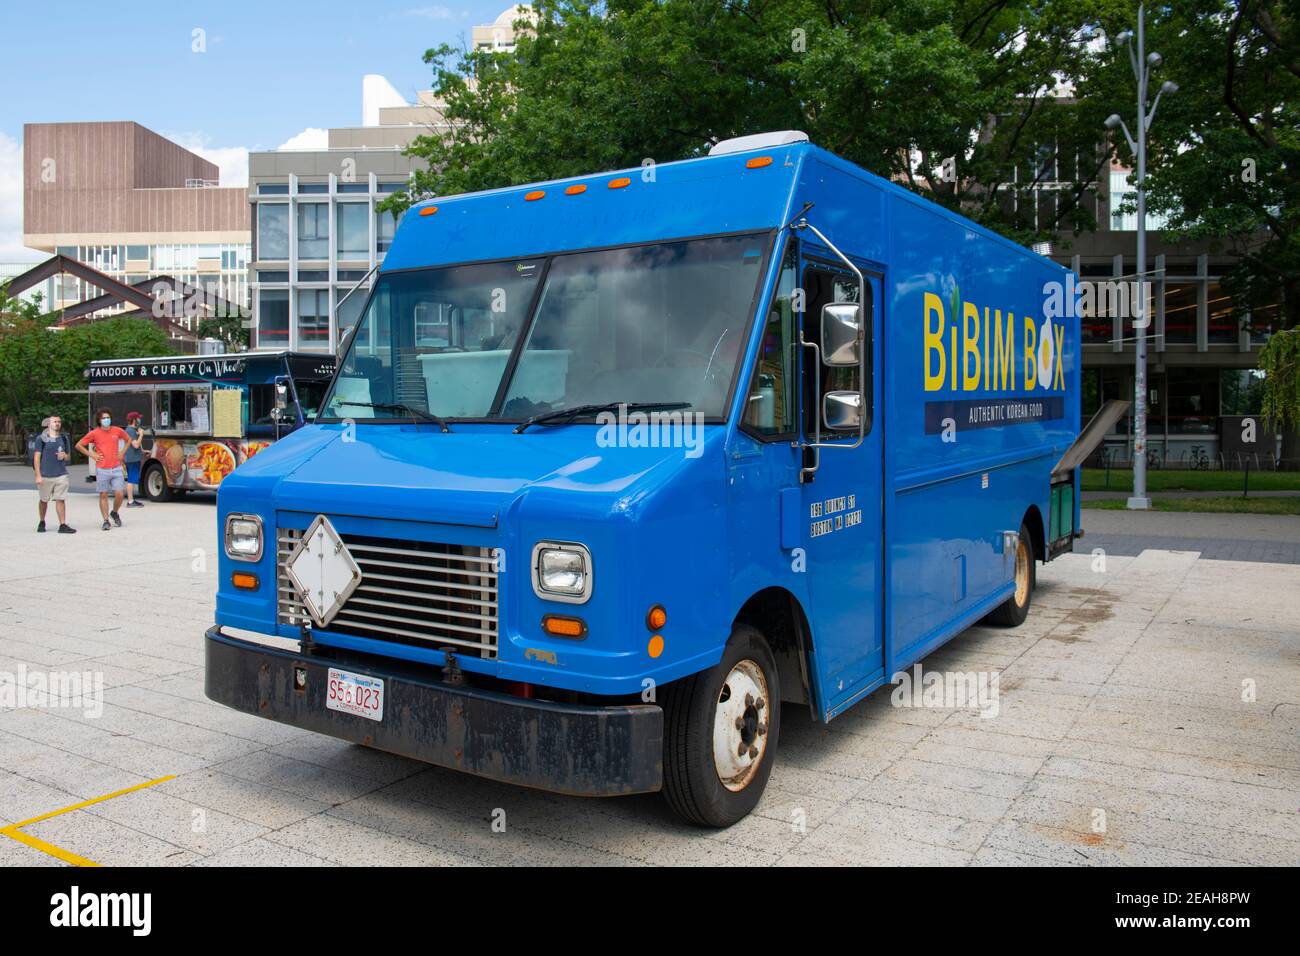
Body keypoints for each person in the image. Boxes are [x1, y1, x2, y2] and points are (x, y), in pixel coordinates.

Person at [76, 409, 132, 531]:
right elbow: (79, 445)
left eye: (108, 417)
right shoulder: (94, 433)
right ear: (99, 420)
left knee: (119, 493)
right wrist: (92, 455)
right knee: (103, 494)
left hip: (117, 467)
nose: (106, 420)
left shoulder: (117, 430)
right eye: (104, 418)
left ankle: (115, 512)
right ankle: (106, 520)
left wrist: (122, 452)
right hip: (102, 468)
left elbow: (129, 440)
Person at [33, 415, 76, 534]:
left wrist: (65, 456)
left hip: (61, 474)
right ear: (49, 424)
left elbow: (68, 456)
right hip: (45, 475)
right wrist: (38, 475)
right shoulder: (41, 439)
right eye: (54, 422)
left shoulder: (64, 438)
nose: (57, 423)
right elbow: (37, 457)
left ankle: (62, 525)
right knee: (43, 500)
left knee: (60, 499)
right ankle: (42, 521)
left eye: (59, 422)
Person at [123, 411, 147, 507]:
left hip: (133, 458)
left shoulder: (132, 430)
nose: (139, 420)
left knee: (132, 479)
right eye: (138, 418)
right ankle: (130, 501)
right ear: (134, 420)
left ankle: (131, 500)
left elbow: (135, 446)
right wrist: (141, 434)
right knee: (131, 480)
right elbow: (135, 445)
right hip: (132, 459)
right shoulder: (130, 431)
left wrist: (143, 451)